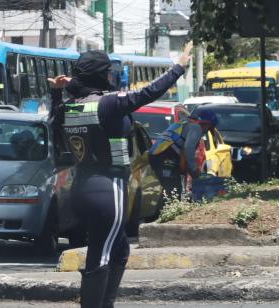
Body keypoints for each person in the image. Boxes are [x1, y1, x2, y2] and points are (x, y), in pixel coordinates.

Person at [48, 42, 194, 308]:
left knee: (119, 250)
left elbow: (54, 120)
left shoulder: (70, 107)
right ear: (103, 75)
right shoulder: (109, 104)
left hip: (80, 187)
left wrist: (58, 91)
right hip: (108, 188)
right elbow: (149, 92)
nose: (111, 76)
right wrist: (179, 67)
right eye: (108, 72)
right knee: (101, 255)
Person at [148, 110, 218, 200]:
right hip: (165, 158)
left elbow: (183, 154)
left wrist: (190, 171)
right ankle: (170, 210)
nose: (205, 132)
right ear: (206, 123)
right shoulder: (196, 128)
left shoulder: (182, 123)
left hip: (156, 156)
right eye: (208, 129)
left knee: (168, 189)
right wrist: (195, 173)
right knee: (173, 192)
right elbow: (188, 150)